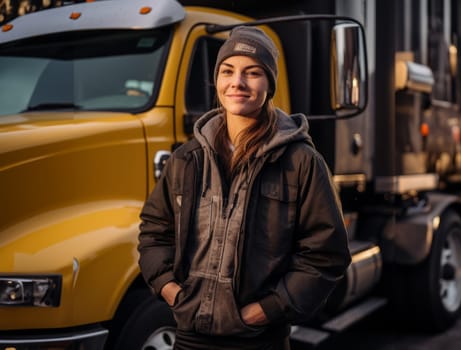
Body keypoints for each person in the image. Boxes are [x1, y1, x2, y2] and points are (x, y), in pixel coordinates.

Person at [137, 26, 351, 350]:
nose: (237, 82)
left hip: (259, 341)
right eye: (228, 71)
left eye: (252, 73)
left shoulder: (300, 162)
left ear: (269, 84)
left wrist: (264, 312)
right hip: (190, 338)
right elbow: (154, 231)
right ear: (217, 80)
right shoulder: (187, 159)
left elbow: (326, 254)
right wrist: (171, 290)